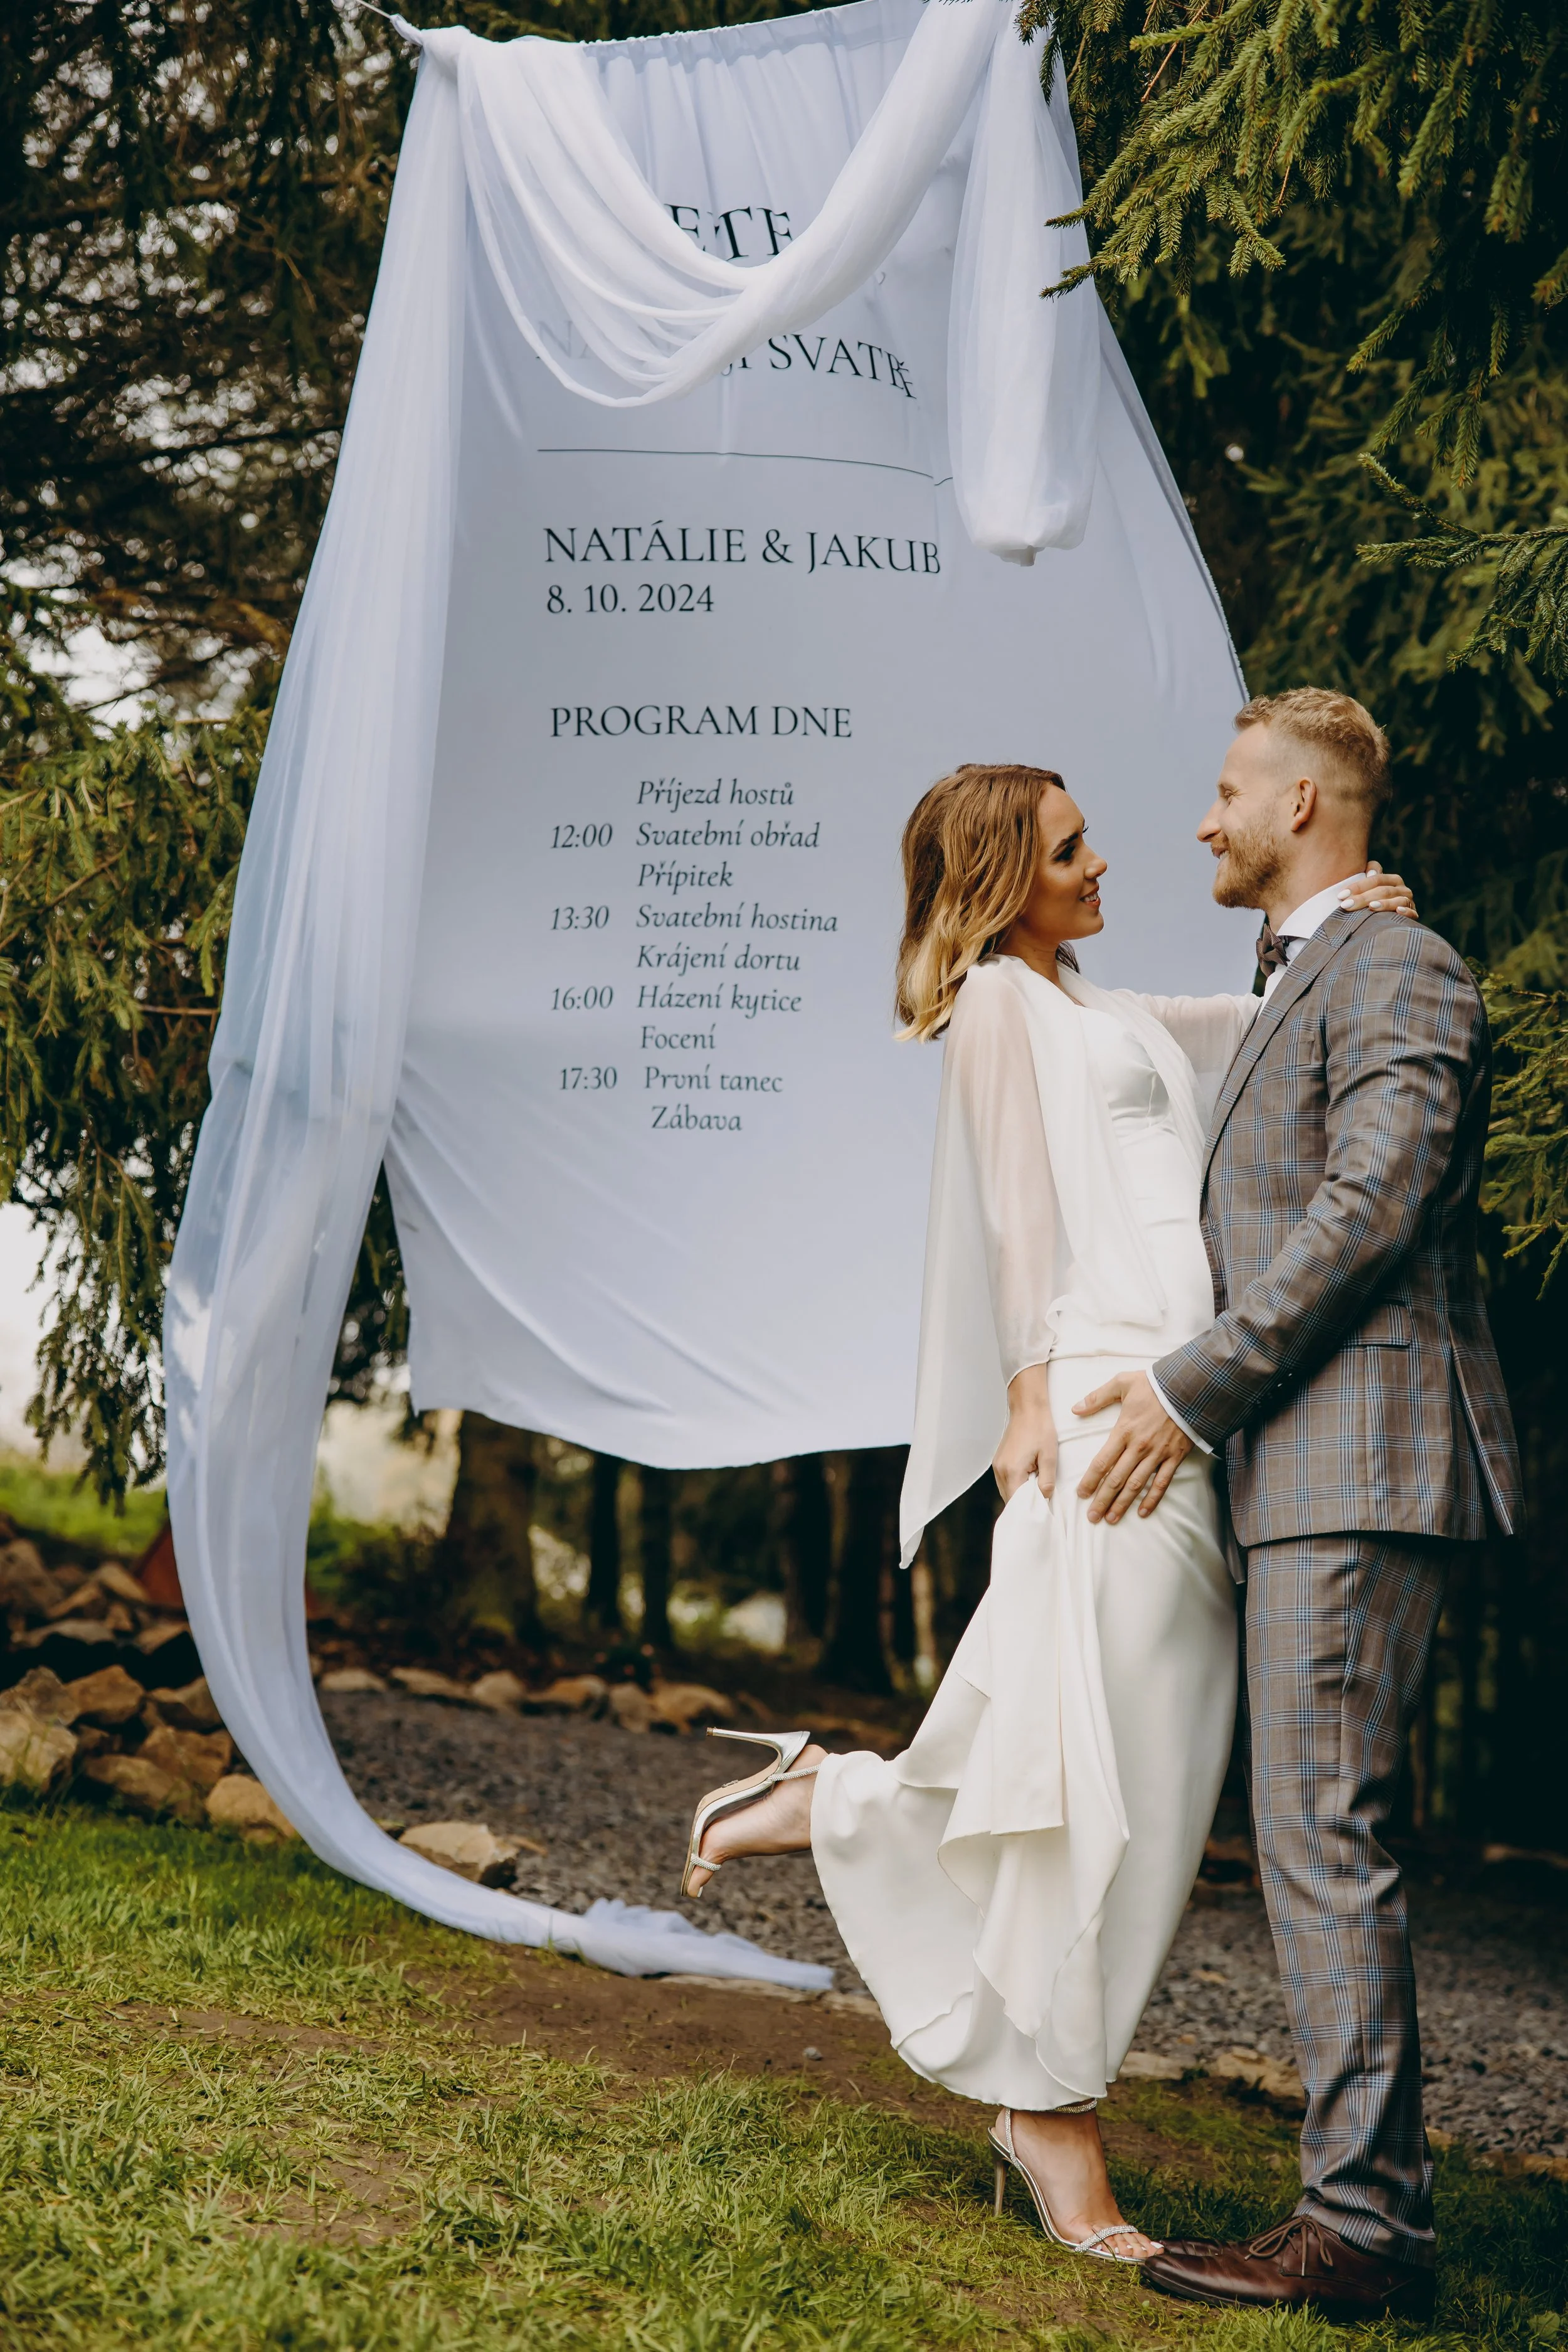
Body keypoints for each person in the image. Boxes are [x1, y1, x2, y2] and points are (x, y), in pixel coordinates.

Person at [681, 742, 1418, 2266]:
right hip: (1096, 1408)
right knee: (1095, 1788)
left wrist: (1349, 915)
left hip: (1185, 1419)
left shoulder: (1101, 1007)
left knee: (1121, 1772)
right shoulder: (1001, 1007)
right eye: (1069, 850)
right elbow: (1016, 1214)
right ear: (1005, 877)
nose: (1100, 866)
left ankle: (833, 1800)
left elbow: (1258, 1025)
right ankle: (1046, 2113)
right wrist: (1028, 1393)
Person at [1064, 688, 1522, 2321]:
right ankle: (1359, 2207)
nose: (1200, 817)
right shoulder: (1314, 969)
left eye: (1224, 788)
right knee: (1319, 1837)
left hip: (1358, 1453)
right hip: (1311, 1465)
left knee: (1325, 1841)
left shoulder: (1398, 963)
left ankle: (1359, 2231)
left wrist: (1190, 1386)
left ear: (1306, 807)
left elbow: (1368, 1206)